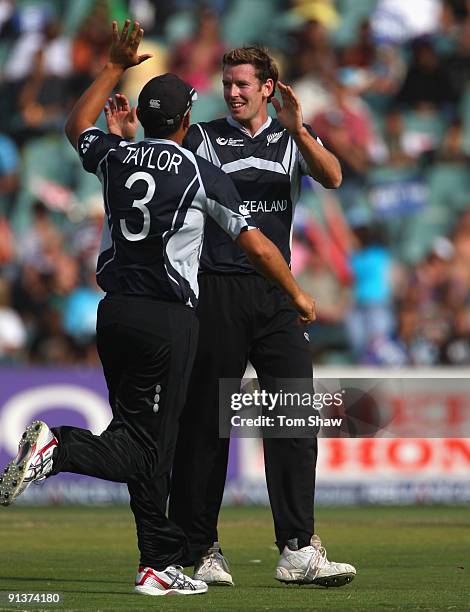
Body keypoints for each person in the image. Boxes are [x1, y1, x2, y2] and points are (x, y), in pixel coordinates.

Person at [0, 22, 316, 597]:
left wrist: (111, 66)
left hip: (112, 313)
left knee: (148, 441)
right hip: (166, 319)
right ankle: (58, 447)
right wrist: (296, 293)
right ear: (186, 121)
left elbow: (76, 126)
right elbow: (258, 243)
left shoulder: (115, 155)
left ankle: (157, 564)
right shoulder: (199, 169)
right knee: (146, 446)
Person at [165, 46, 355, 587]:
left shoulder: (292, 134)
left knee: (294, 417)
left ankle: (297, 548)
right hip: (216, 290)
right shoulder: (201, 137)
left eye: (244, 84)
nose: (233, 92)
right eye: (228, 84)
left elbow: (335, 177)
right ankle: (200, 549)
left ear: (268, 88)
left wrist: (298, 131)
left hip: (277, 295)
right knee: (206, 426)